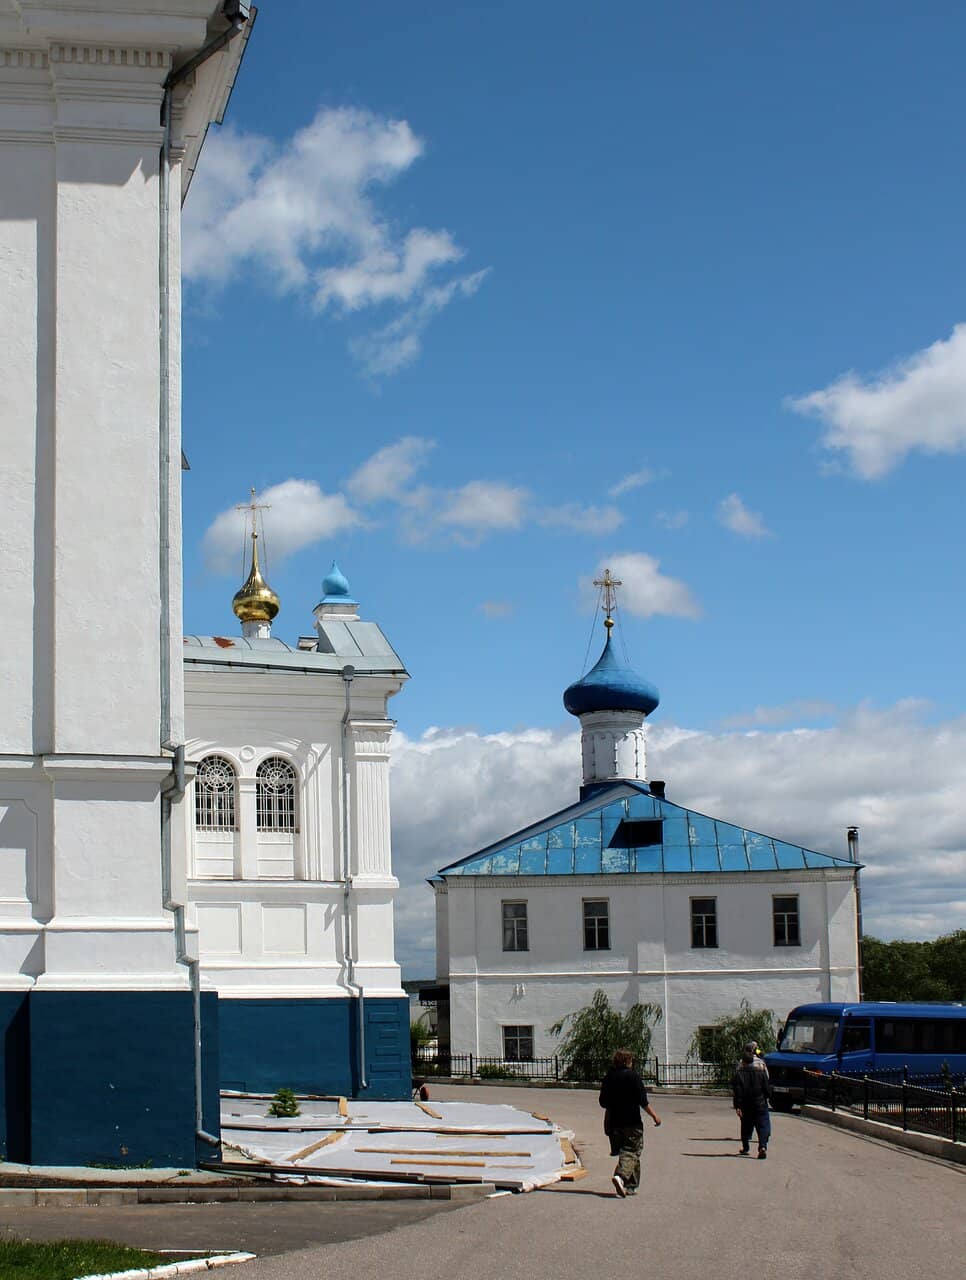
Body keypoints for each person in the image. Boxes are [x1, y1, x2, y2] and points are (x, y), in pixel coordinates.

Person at [598, 1048, 661, 1197]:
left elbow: (603, 1102)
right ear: (628, 1061)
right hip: (632, 1122)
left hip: (614, 1123)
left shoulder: (609, 1077)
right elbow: (643, 1101)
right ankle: (620, 1176)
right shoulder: (633, 1077)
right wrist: (654, 1116)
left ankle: (631, 1186)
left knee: (628, 1153)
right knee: (632, 1151)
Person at [731, 1040, 771, 1159]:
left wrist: (738, 1105)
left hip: (746, 1104)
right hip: (760, 1102)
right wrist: (766, 1098)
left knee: (746, 1125)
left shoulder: (739, 1071)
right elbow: (766, 1087)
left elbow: (737, 1089)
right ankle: (762, 1146)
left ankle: (746, 1147)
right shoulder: (760, 1068)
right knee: (762, 1125)